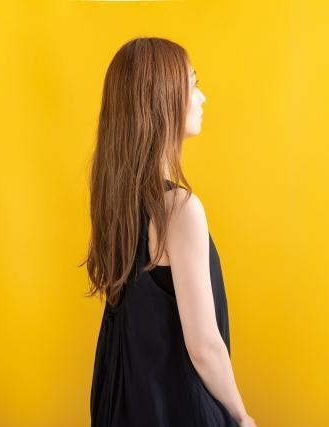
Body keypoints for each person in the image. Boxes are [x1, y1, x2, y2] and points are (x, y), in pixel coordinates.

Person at [81, 37, 256, 427]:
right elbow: (204, 346)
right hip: (175, 409)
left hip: (123, 406)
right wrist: (241, 416)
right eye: (193, 84)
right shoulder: (179, 210)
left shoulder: (117, 207)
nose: (202, 97)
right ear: (163, 100)